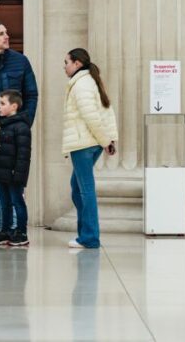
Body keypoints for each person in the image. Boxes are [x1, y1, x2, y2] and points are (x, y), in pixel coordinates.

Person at [0, 22, 39, 244]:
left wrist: (24, 122)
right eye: (1, 34)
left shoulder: (21, 61)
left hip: (13, 132)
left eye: (6, 32)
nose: (6, 36)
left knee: (12, 183)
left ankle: (13, 228)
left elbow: (31, 94)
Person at [63, 48, 118, 249]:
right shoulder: (89, 82)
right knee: (78, 189)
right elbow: (105, 112)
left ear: (77, 63)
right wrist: (108, 140)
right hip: (89, 143)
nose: (64, 67)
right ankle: (86, 234)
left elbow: (92, 117)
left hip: (83, 144)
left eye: (66, 62)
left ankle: (89, 237)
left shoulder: (81, 85)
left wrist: (106, 142)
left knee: (85, 191)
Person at [0, 90, 31, 247]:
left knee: (17, 201)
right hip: (1, 173)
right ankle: (5, 230)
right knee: (4, 202)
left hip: (13, 174)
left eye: (2, 104)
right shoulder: (0, 125)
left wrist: (18, 174)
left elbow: (23, 155)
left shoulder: (21, 127)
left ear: (14, 106)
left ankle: (21, 232)